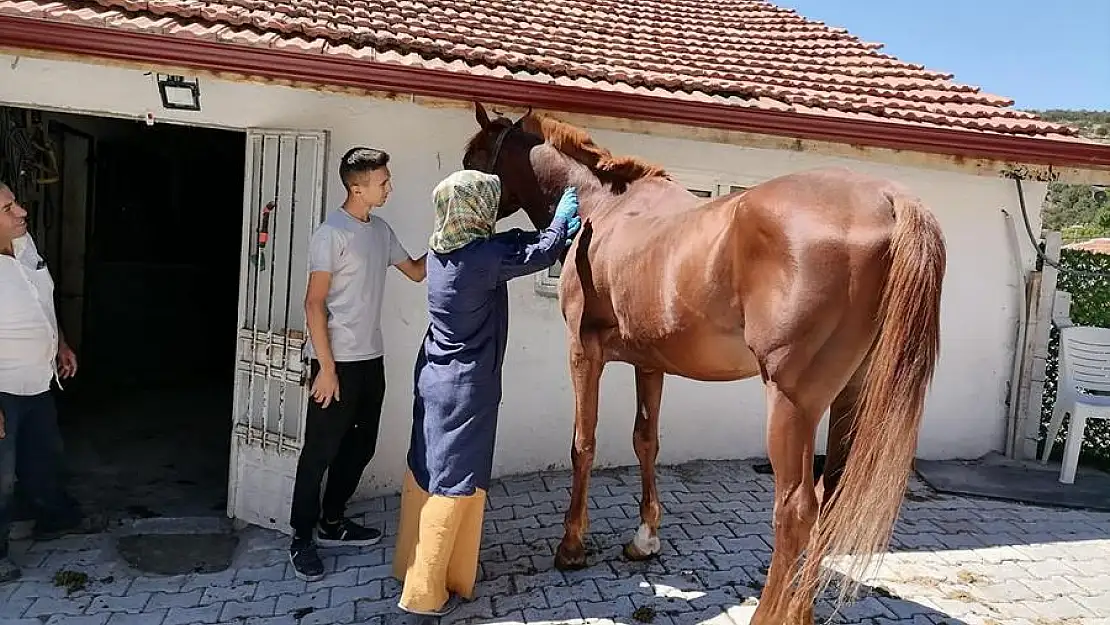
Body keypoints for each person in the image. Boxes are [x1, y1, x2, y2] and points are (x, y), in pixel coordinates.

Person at [391, 170, 581, 617]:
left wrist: (546, 232)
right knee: (455, 484)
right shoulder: (483, 258)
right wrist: (562, 220)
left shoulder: (441, 252)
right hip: (465, 390)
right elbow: (540, 252)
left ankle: (412, 565)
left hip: (433, 379)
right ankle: (423, 593)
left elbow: (512, 244)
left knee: (425, 471)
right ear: (476, 209)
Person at [289, 147, 428, 581]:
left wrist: (451, 237)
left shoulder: (380, 230)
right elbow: (314, 305)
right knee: (319, 454)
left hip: (371, 359)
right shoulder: (332, 234)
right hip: (336, 365)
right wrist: (326, 369)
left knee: (361, 447)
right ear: (357, 187)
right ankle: (301, 538)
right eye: (382, 182)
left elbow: (417, 272)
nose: (389, 187)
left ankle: (332, 522)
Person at [0, 182, 85, 583]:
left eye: (16, 203)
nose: (21, 213)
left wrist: (60, 343)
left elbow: (42, 299)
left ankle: (53, 518)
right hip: (3, 390)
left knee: (44, 456)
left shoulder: (24, 243)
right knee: (1, 474)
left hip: (38, 380)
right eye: (7, 209)